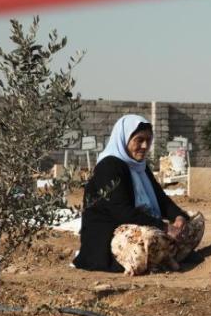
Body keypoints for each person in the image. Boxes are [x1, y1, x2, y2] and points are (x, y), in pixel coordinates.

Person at [72, 114, 204, 275]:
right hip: (113, 232)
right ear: (124, 139)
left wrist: (178, 218)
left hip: (146, 222)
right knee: (148, 237)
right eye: (139, 140)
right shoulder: (109, 166)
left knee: (195, 219)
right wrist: (164, 226)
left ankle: (164, 255)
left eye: (148, 140)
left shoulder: (140, 166)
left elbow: (161, 199)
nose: (144, 145)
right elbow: (121, 212)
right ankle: (164, 256)